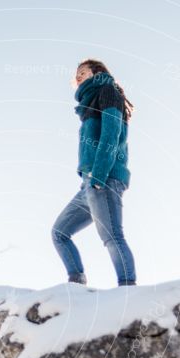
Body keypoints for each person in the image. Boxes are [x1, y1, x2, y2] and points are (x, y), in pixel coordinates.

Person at [51, 58, 137, 286]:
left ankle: (128, 288)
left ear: (96, 72)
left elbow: (111, 134)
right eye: (76, 74)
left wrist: (99, 175)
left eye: (83, 71)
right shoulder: (90, 103)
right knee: (60, 233)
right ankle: (76, 283)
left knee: (112, 236)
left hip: (104, 177)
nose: (78, 76)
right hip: (90, 182)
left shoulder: (107, 91)